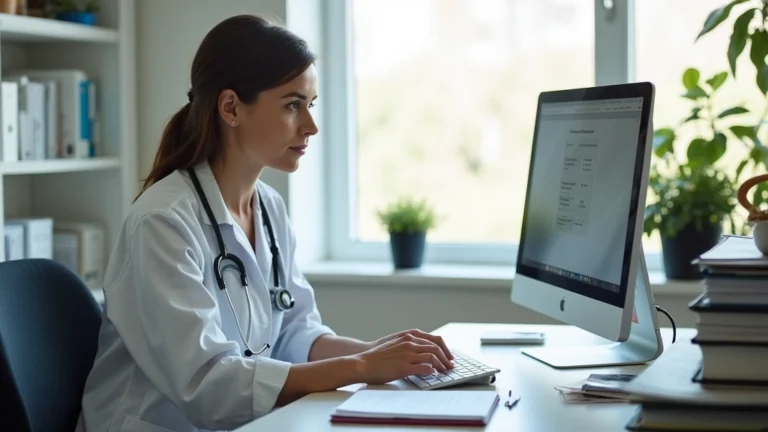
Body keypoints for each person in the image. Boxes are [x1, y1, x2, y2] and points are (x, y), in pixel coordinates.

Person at [75, 14, 455, 432]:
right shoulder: (161, 224)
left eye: (310, 105)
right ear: (231, 107)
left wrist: (389, 357)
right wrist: (362, 365)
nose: (310, 126)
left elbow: (295, 334)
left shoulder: (269, 208)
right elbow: (208, 387)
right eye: (293, 105)